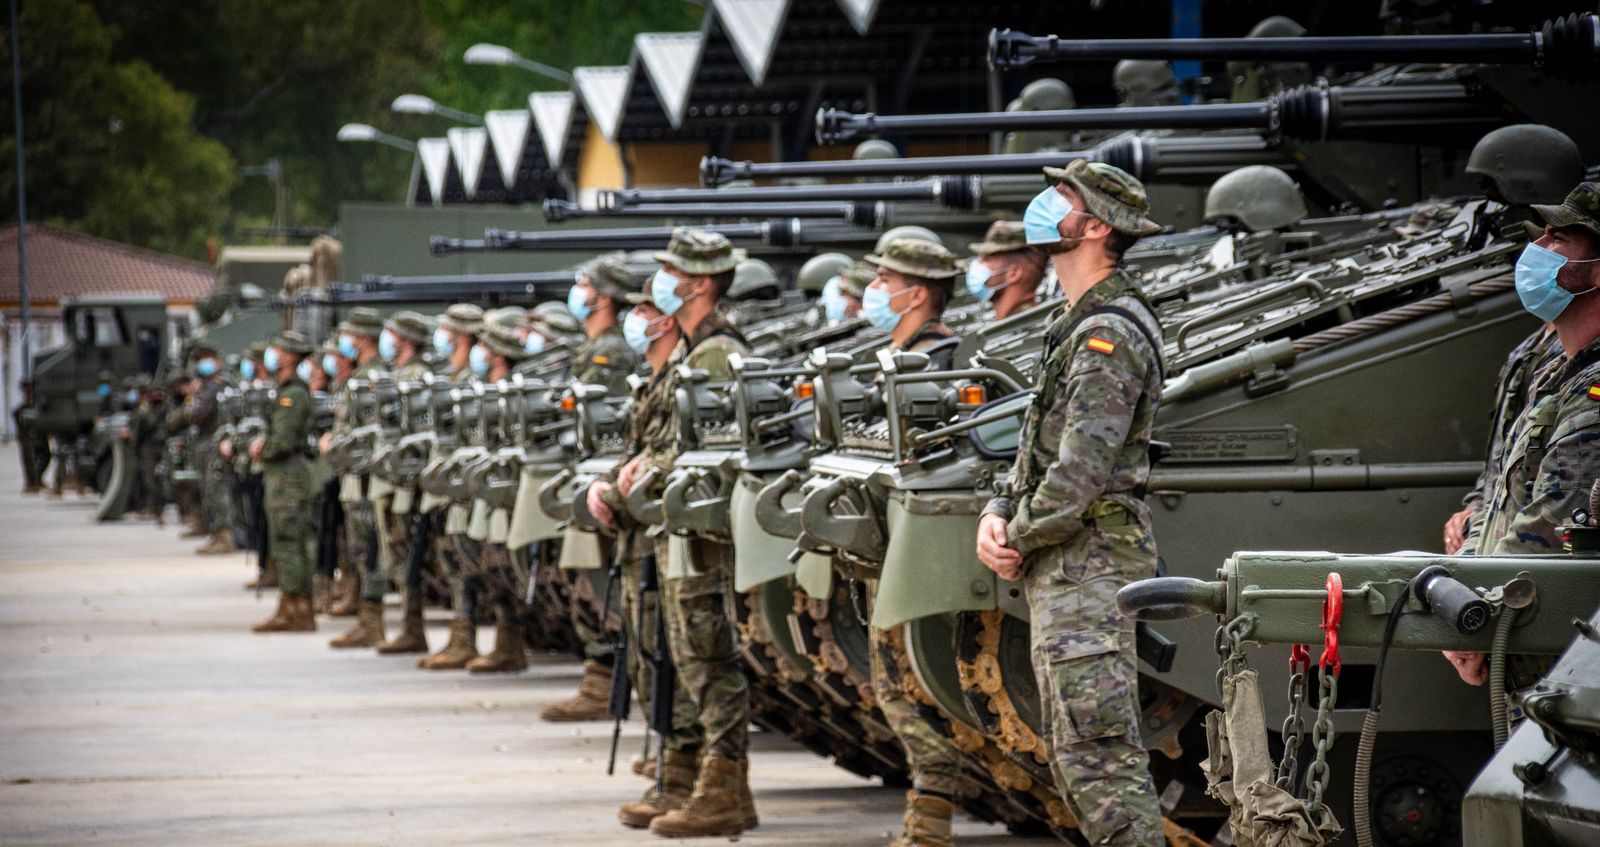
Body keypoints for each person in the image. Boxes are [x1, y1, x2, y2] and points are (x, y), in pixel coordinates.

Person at [975, 159, 1165, 846]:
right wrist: (999, 512)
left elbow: (1078, 475)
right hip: (1067, 566)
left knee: (1101, 760)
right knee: (1075, 753)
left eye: (1060, 197)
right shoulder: (1074, 323)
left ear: (1095, 225)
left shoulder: (1108, 334)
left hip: (1090, 567)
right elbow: (1038, 452)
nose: (1042, 205)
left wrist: (1015, 535)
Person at [613, 227, 757, 839]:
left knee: (706, 658)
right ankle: (688, 778)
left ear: (698, 284)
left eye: (671, 274)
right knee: (679, 657)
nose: (661, 284)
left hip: (701, 531)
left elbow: (717, 446)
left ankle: (723, 790)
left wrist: (650, 471)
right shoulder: (693, 355)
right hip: (674, 525)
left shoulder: (717, 355)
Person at [1448, 183, 1600, 686]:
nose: (1537, 249)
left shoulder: (1593, 393)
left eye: (1560, 239)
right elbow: (1499, 503)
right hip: (1528, 657)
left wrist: (1471, 625)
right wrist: (1463, 593)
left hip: (1561, 673)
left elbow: (1549, 533)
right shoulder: (1557, 368)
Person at [859, 234, 976, 846]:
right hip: (884, 540)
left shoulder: (939, 360)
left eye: (886, 279)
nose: (875, 290)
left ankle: (931, 818)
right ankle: (927, 812)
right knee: (893, 681)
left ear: (919, 292)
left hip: (915, 545)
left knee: (910, 681)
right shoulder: (896, 353)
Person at [586, 293, 708, 827]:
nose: (636, 318)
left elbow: (667, 455)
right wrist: (614, 483)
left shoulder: (693, 366)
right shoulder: (656, 377)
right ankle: (674, 765)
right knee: (645, 652)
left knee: (670, 658)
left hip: (662, 533)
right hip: (641, 536)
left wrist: (614, 493)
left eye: (645, 308)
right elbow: (639, 455)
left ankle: (683, 773)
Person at [541, 256, 646, 723]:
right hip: (591, 473)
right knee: (590, 580)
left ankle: (604, 679)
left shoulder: (611, 352)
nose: (577, 290)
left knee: (601, 583)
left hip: (605, 475)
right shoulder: (593, 347)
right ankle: (600, 678)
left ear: (603, 295)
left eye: (584, 283)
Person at [461, 318, 534, 674]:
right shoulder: (489, 388)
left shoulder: (512, 391)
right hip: (491, 487)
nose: (480, 352)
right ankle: (505, 642)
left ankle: (511, 642)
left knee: (504, 566)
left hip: (506, 488)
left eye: (486, 347)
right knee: (490, 566)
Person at [372, 311, 438, 655]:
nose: (388, 339)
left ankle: (414, 626)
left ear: (407, 340)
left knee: (404, 551)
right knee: (394, 554)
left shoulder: (418, 377)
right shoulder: (398, 374)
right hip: (390, 478)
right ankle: (410, 624)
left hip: (404, 481)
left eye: (393, 333)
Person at [251, 331, 319, 633]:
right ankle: (295, 605)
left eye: (279, 350)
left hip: (287, 477)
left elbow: (283, 440)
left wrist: (259, 449)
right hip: (285, 475)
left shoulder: (293, 395)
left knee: (288, 542)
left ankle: (295, 608)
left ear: (290, 356)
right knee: (289, 541)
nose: (273, 354)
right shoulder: (288, 391)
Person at [326, 308, 384, 639]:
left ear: (362, 338)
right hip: (353, 474)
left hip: (364, 475)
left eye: (349, 335)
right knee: (358, 547)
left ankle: (372, 621)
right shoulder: (359, 376)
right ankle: (366, 617)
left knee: (368, 548)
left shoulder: (371, 378)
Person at [966, 220, 1051, 320]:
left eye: (987, 258)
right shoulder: (1016, 321)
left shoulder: (1024, 326)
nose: (977, 262)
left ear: (1014, 274)